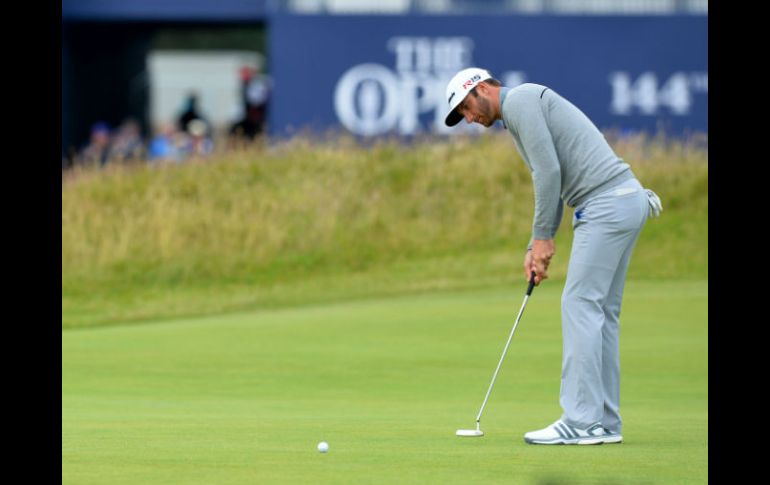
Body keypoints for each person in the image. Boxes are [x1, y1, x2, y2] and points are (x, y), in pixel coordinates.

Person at [444, 68, 662, 445]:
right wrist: (537, 245)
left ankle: (581, 420)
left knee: (580, 304)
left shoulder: (521, 101)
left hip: (606, 204)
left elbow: (548, 172)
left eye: (466, 107)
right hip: (624, 200)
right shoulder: (519, 111)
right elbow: (552, 174)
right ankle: (604, 421)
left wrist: (543, 236)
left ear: (481, 89)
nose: (469, 119)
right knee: (601, 313)